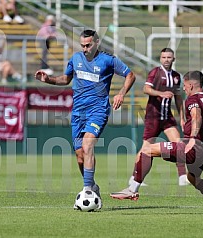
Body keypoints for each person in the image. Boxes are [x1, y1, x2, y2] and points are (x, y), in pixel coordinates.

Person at [35, 29, 136, 209]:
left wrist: (121, 94)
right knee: (80, 155)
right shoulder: (76, 59)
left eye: (88, 45)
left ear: (97, 43)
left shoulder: (108, 60)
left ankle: (87, 190)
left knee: (88, 145)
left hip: (98, 110)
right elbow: (65, 79)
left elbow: (130, 75)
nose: (85, 48)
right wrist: (48, 79)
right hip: (78, 113)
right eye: (82, 45)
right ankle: (93, 186)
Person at [110, 70, 203, 215]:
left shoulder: (192, 100)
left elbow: (196, 116)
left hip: (193, 146)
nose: (184, 89)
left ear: (192, 85)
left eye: (185, 86)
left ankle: (132, 190)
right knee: (193, 179)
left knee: (147, 150)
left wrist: (193, 138)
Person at [128, 47, 189, 187]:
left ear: (173, 59)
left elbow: (178, 98)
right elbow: (146, 89)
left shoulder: (176, 76)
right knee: (145, 149)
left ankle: (182, 176)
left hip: (167, 117)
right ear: (160, 59)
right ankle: (134, 177)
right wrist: (160, 93)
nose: (166, 60)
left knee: (179, 144)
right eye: (164, 57)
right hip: (153, 117)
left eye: (169, 57)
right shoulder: (155, 72)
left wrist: (183, 117)